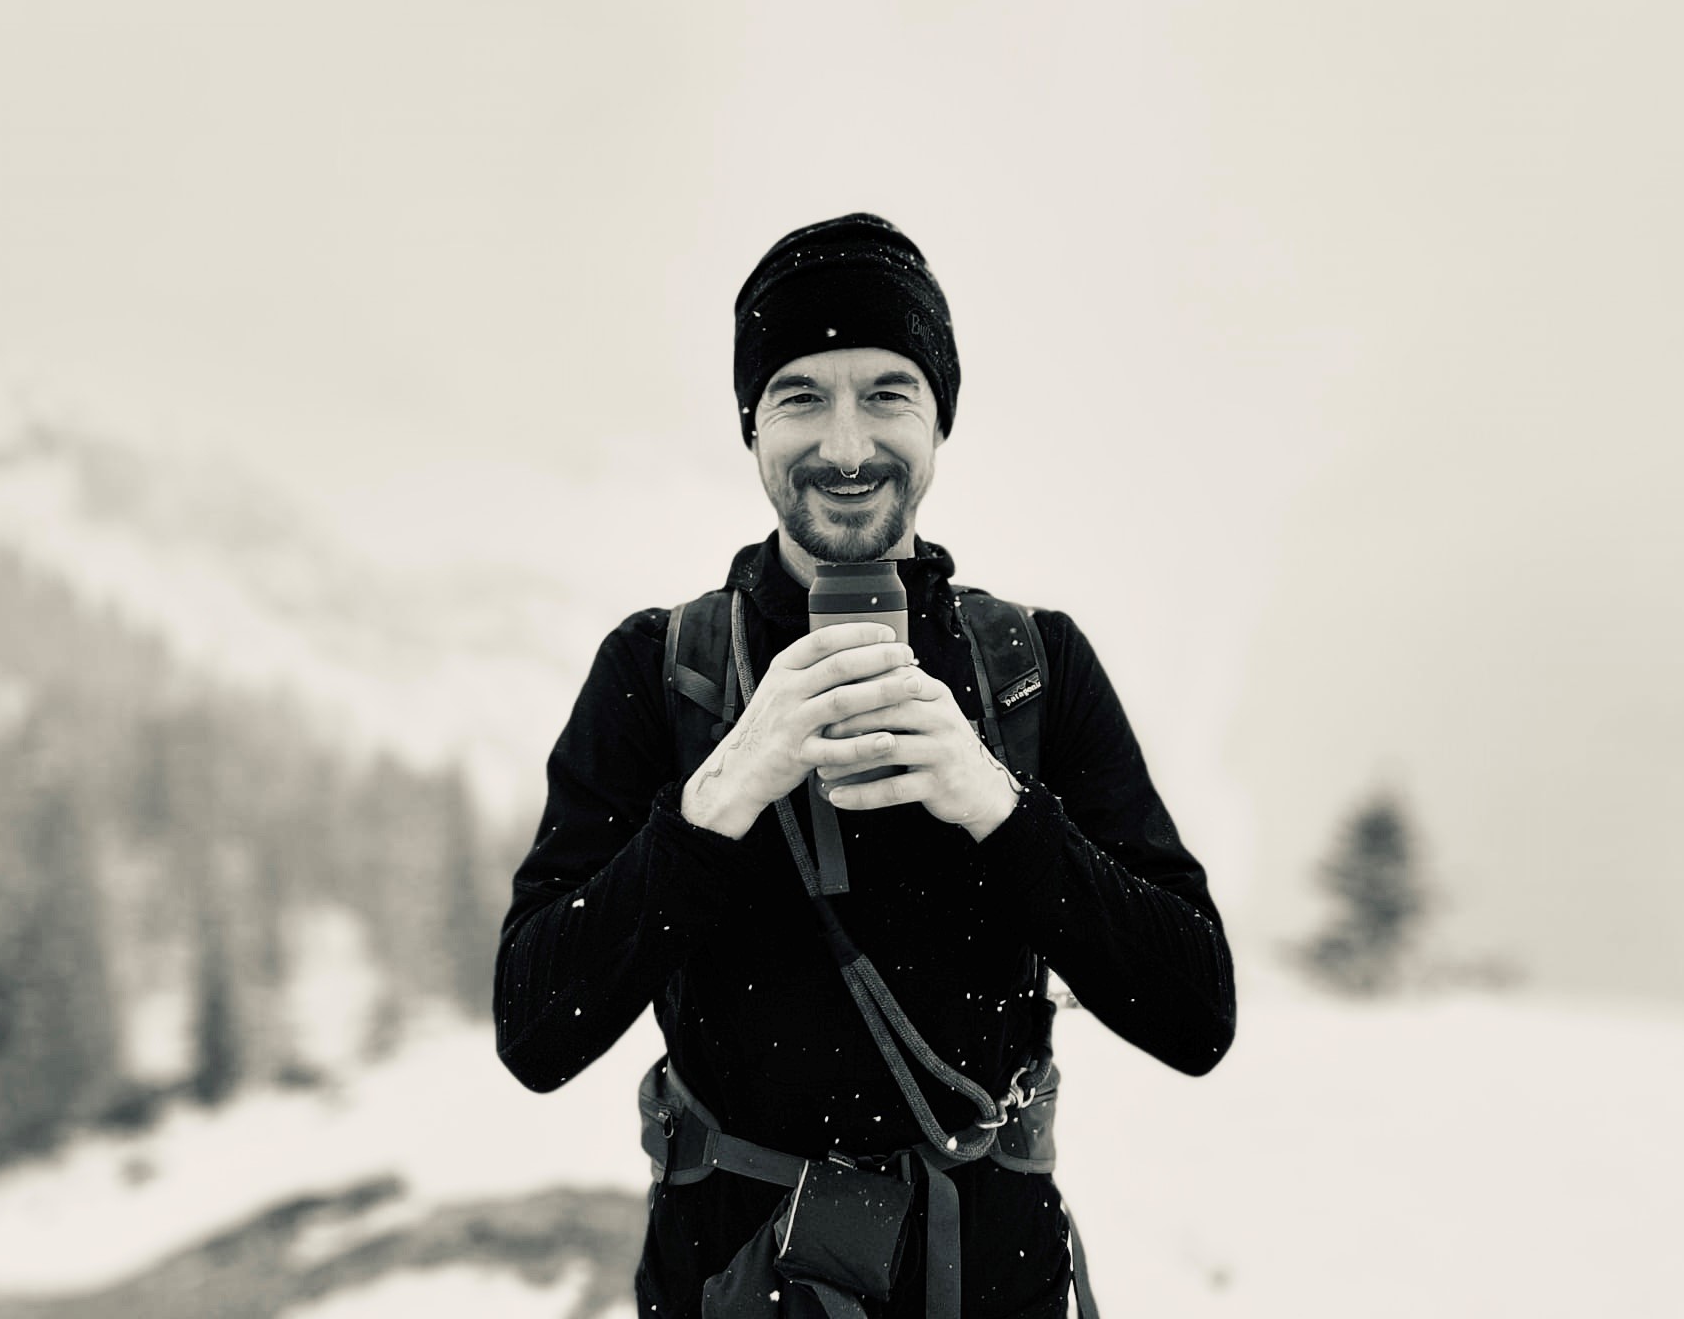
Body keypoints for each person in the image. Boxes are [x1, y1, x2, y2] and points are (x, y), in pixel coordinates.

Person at [495, 213, 1236, 1319]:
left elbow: (1196, 1013)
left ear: (940, 419)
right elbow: (534, 1031)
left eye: (889, 393)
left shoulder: (1030, 669)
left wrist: (998, 808)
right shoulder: (663, 669)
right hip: (739, 1280)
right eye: (800, 396)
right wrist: (718, 799)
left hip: (996, 1281)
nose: (845, 448)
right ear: (752, 427)